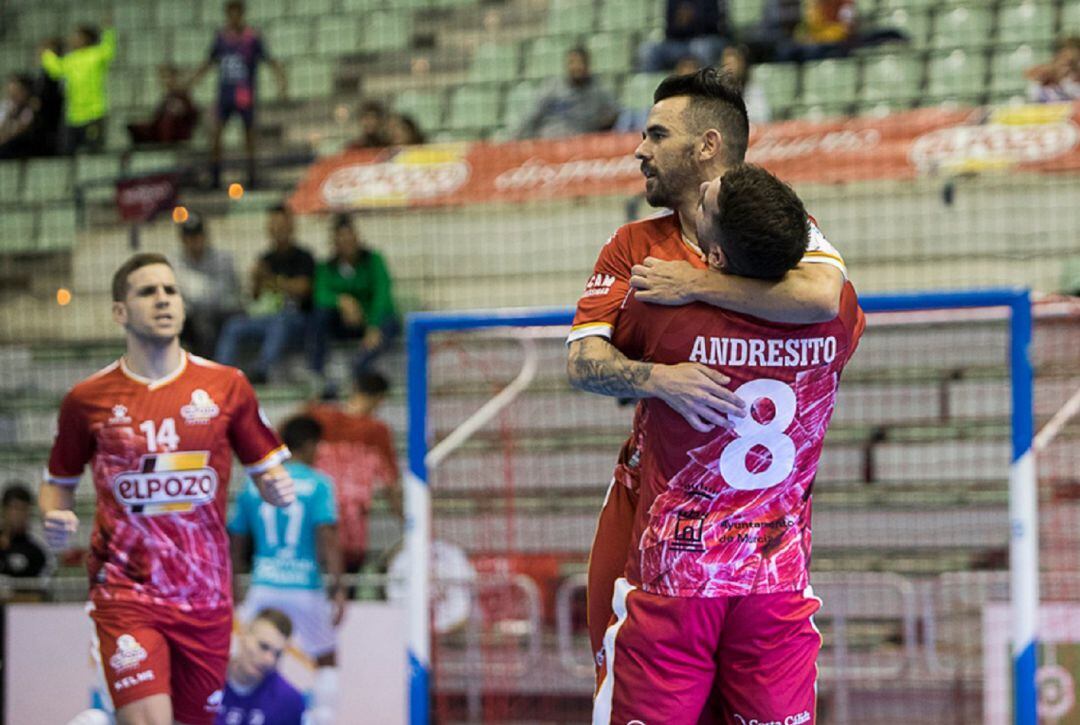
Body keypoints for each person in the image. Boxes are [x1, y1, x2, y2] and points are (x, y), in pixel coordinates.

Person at [563, 66, 847, 700]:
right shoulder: (634, 243)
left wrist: (693, 286)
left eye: (656, 134)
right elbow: (582, 361)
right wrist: (658, 379)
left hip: (705, 544)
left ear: (708, 146)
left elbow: (822, 294)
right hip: (705, 529)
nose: (640, 149)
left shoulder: (781, 228)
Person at [39, 252, 296, 725]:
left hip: (205, 597)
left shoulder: (227, 386)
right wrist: (55, 515)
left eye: (171, 290)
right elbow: (57, 484)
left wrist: (275, 487)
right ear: (121, 312)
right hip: (126, 591)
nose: (163, 299)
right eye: (147, 291)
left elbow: (267, 469)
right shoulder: (87, 400)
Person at [229, 415, 344, 725]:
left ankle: (237, 712)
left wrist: (231, 582)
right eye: (317, 445)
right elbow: (326, 536)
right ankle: (322, 717)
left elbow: (236, 537)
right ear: (307, 445)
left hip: (265, 582)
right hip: (305, 586)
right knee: (326, 656)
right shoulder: (319, 483)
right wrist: (338, 585)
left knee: (244, 648)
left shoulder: (255, 484)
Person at [305, 370, 402, 581]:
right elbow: (390, 484)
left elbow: (283, 436)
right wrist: (407, 521)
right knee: (346, 589)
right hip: (352, 528)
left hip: (315, 521)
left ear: (354, 390)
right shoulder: (377, 431)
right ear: (380, 399)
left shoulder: (318, 416)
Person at [187, 0, 287, 188]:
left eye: (237, 13)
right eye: (230, 13)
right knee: (216, 135)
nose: (234, 17)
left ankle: (251, 177)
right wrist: (192, 82)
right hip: (224, 97)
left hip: (245, 97)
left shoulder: (252, 38)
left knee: (248, 137)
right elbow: (208, 62)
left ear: (242, 14)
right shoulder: (221, 38)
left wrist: (281, 80)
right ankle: (215, 178)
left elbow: (270, 60)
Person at [215, 204, 315, 385]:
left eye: (282, 226)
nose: (278, 230)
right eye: (274, 226)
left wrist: (271, 280)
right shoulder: (265, 259)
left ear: (292, 227)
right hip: (266, 318)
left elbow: (303, 288)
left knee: (281, 321)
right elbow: (255, 297)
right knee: (234, 325)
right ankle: (221, 376)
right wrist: (255, 280)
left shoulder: (304, 257)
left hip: (298, 320)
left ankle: (262, 370)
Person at [309, 214, 399, 387]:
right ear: (334, 242)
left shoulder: (374, 261)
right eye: (341, 239)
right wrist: (342, 301)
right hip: (345, 324)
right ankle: (317, 372)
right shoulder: (326, 267)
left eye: (349, 237)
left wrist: (373, 325)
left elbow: (383, 294)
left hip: (372, 320)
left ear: (357, 238)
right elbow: (320, 295)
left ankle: (358, 366)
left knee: (389, 321)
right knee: (319, 315)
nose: (346, 243)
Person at [216, 608, 306, 725]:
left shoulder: (289, 701)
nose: (269, 660)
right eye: (263, 646)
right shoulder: (204, 680)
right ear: (243, 635)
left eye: (277, 654)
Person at [174, 211, 243, 359]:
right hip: (193, 317)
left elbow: (221, 295)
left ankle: (216, 369)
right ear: (182, 239)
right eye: (189, 237)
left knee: (209, 323)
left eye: (197, 235)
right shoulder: (176, 262)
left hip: (225, 312)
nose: (194, 241)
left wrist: (195, 292)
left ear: (205, 236)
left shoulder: (223, 258)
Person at [40, 20, 115, 154]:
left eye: (77, 36)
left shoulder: (96, 55)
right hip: (73, 115)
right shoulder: (71, 59)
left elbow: (109, 49)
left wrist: (108, 31)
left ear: (87, 38)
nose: (73, 39)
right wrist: (47, 54)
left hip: (94, 112)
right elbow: (56, 69)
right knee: (67, 151)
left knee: (94, 151)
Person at [513, 47, 619, 140]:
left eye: (580, 63)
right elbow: (533, 115)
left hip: (581, 146)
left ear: (587, 65)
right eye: (572, 62)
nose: (576, 67)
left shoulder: (598, 90)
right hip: (549, 144)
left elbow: (614, 114)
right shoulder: (552, 88)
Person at [637, 0, 730, 72]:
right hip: (677, 44)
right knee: (648, 50)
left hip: (705, 41)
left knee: (702, 48)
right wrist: (682, 23)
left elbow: (715, 25)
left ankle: (707, 87)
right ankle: (654, 91)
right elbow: (669, 28)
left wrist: (692, 19)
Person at [127, 64, 200, 146]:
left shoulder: (182, 96)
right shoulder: (168, 97)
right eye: (163, 78)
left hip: (175, 135)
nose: (165, 81)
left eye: (168, 77)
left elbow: (192, 115)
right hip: (160, 132)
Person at [0, 483, 50, 580]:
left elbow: (39, 590)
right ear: (4, 510)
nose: (19, 514)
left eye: (23, 509)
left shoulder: (36, 551)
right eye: (14, 508)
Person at [721, 45, 770, 124]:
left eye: (732, 64)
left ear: (742, 65)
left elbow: (762, 117)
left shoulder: (754, 88)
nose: (729, 69)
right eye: (726, 65)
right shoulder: (717, 91)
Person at [0, 74, 44, 160]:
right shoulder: (7, 106)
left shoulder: (30, 108)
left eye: (17, 92)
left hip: (20, 147)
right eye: (11, 93)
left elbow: (20, 131)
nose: (13, 97)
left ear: (26, 92)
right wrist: (9, 115)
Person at [1026, 37, 1080, 103]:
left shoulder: (1073, 85)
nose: (1066, 68)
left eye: (1070, 64)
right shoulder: (1040, 86)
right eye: (1064, 62)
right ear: (1056, 59)